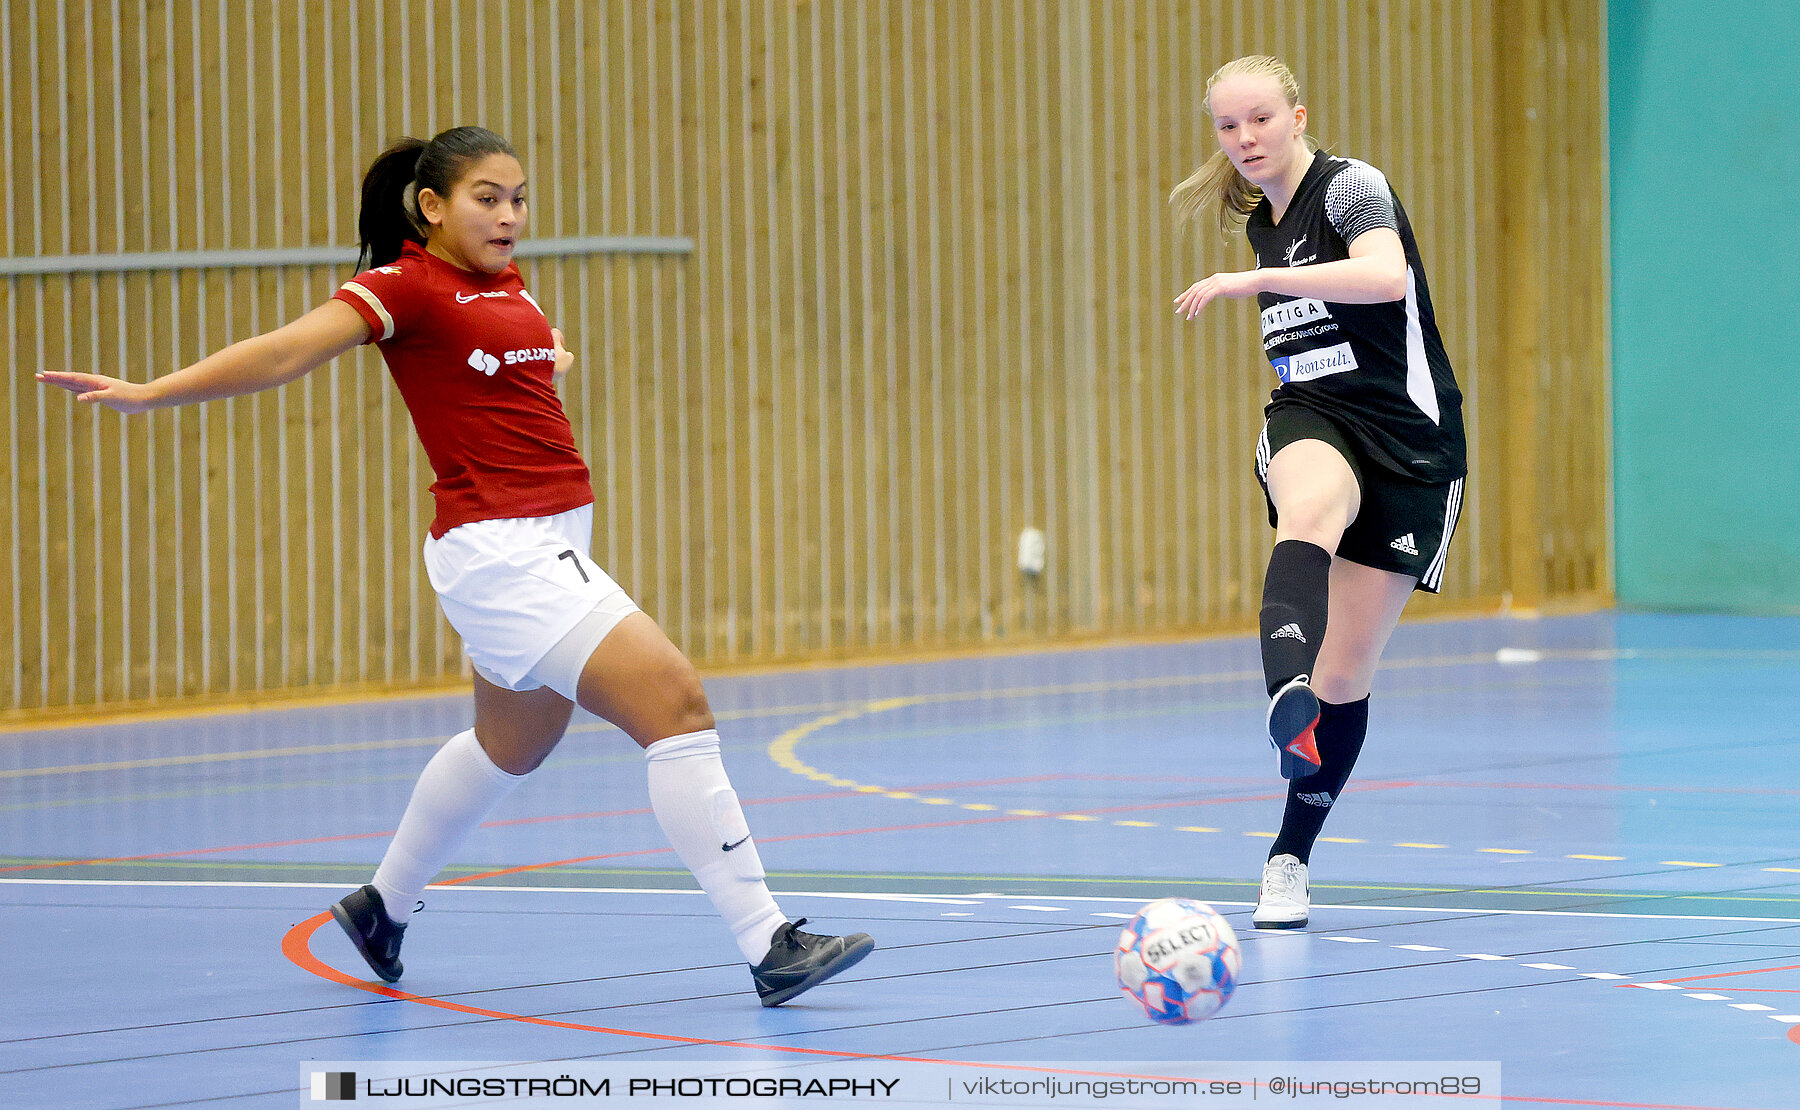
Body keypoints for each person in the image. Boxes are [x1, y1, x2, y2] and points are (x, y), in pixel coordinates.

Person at [38, 125, 873, 1006]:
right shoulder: (406, 288)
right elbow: (286, 350)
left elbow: (499, 379)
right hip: (506, 551)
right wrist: (151, 392)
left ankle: (381, 907)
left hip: (544, 542)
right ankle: (768, 940)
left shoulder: (503, 284)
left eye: (519, 197)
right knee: (677, 703)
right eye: (487, 197)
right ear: (432, 208)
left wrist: (543, 360)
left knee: (511, 744)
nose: (509, 214)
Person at [1169, 58, 1467, 930]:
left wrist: (1254, 282)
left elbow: (1385, 278)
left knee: (1348, 674)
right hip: (1313, 415)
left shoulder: (1350, 188)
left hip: (1412, 445)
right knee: (1306, 511)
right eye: (1228, 127)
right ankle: (1280, 689)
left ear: (1298, 115)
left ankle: (1290, 855)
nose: (1244, 139)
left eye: (1259, 119)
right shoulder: (1261, 219)